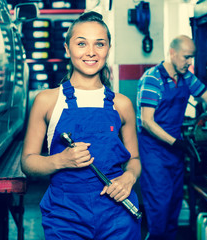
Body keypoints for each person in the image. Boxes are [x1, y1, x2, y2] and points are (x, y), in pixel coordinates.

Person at [21, 11, 142, 240]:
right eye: (81, 43)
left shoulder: (122, 104)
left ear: (108, 49)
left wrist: (129, 178)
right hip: (66, 215)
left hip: (117, 213)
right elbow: (27, 162)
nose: (91, 52)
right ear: (67, 49)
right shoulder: (47, 101)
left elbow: (134, 160)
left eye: (99, 44)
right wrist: (61, 160)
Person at [136, 35, 207, 240]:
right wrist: (176, 142)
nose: (190, 62)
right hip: (153, 151)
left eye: (192, 58)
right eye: (186, 57)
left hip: (174, 151)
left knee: (174, 205)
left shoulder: (186, 77)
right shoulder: (153, 78)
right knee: (159, 207)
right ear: (172, 53)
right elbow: (147, 121)